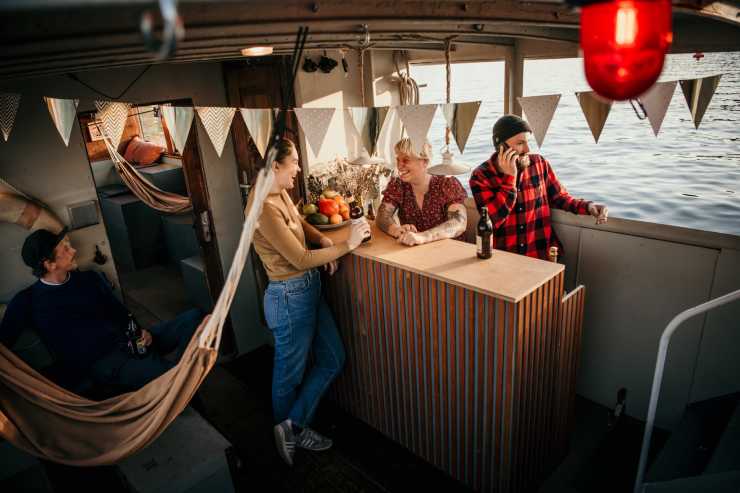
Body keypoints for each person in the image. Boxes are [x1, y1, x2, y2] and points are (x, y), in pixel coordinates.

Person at [247, 138, 370, 466]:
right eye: (295, 163)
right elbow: (300, 259)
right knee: (288, 374)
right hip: (288, 297)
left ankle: (292, 425)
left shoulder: (278, 191)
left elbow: (301, 225)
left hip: (308, 291)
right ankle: (288, 435)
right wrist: (349, 243)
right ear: (275, 167)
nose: (299, 169)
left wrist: (324, 238)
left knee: (333, 358)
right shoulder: (261, 205)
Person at [0, 228, 207, 394]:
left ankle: (175, 374)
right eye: (65, 249)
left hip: (133, 342)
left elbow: (120, 313)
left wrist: (140, 332)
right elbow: (4, 346)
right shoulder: (27, 301)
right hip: (107, 363)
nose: (73, 251)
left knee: (196, 319)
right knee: (177, 379)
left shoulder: (88, 279)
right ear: (49, 264)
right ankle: (172, 378)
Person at [469, 115, 608, 260]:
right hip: (504, 259)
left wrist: (588, 207)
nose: (527, 149)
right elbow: (493, 219)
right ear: (501, 146)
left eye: (527, 142)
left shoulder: (539, 163)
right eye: (520, 143)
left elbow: (560, 197)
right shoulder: (480, 177)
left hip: (541, 254)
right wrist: (510, 178)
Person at [376, 138, 468, 245]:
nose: (399, 165)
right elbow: (382, 215)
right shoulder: (398, 184)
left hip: (452, 250)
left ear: (425, 162)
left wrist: (423, 237)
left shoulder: (446, 183)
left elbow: (459, 223)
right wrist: (396, 229)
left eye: (406, 160)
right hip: (415, 252)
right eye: (398, 160)